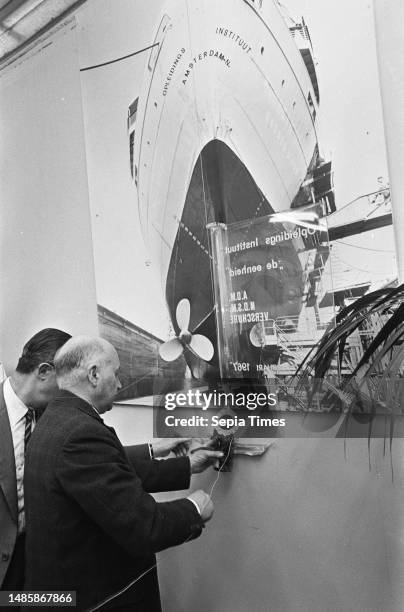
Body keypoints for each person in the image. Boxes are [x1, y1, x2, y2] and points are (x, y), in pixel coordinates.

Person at [24, 336, 222, 611]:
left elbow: (105, 476)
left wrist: (186, 465)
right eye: (115, 374)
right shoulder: (81, 434)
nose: (119, 384)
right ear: (93, 374)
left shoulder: (54, 420)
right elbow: (145, 527)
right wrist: (195, 508)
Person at [0, 328, 72, 592]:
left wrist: (156, 450)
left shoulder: (48, 416)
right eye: (66, 380)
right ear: (43, 372)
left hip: (34, 569)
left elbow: (84, 460)